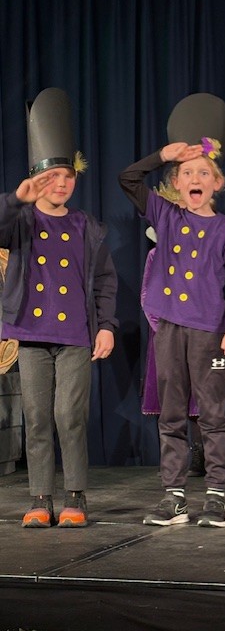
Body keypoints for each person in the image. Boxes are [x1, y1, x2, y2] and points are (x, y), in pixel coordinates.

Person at [119, 93, 225, 528]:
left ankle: (216, 496)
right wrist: (163, 155)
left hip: (210, 334)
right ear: (177, 182)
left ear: (217, 183)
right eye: (188, 172)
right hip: (170, 331)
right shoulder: (166, 214)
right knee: (172, 414)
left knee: (213, 414)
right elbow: (128, 179)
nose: (195, 178)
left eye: (204, 173)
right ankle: (174, 496)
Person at [0, 88, 118, 528]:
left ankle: (74, 495)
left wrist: (106, 326)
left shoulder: (87, 227)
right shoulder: (22, 220)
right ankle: (39, 497)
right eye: (52, 177)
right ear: (36, 180)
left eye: (68, 176)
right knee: (36, 417)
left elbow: (105, 280)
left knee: (69, 416)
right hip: (31, 335)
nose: (62, 183)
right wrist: (17, 199)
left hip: (75, 337)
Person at [141, 228, 205, 477]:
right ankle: (172, 461)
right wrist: (164, 331)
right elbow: (148, 296)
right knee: (169, 399)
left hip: (196, 333)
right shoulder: (155, 256)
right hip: (165, 334)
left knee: (198, 398)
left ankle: (200, 457)